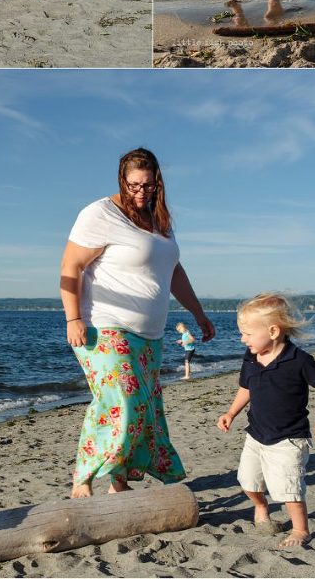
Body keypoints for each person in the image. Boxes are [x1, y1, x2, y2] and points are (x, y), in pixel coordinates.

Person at [60, 148, 215, 498]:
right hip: (104, 325)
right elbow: (71, 267)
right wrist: (73, 317)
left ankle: (118, 480)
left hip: (150, 334)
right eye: (133, 185)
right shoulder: (100, 214)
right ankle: (82, 478)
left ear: (158, 182)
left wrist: (198, 312)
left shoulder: (161, 222)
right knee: (120, 399)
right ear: (122, 181)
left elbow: (173, 271)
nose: (140, 192)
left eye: (148, 185)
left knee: (144, 406)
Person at [216, 293, 315, 549]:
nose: (242, 339)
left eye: (248, 333)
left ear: (273, 331)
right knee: (247, 480)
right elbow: (245, 388)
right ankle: (261, 506)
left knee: (289, 489)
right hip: (256, 434)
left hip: (289, 438)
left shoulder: (299, 360)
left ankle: (300, 529)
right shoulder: (250, 358)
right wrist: (231, 413)